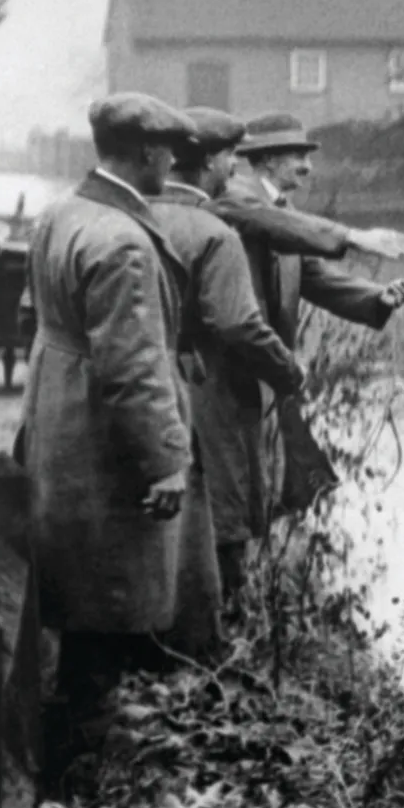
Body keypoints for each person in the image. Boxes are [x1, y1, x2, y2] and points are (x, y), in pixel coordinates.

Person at [23, 95, 198, 791]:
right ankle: (78, 777)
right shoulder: (122, 240)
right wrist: (165, 460)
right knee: (105, 605)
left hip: (59, 421)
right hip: (100, 441)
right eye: (169, 151)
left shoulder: (61, 212)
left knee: (79, 600)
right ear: (148, 153)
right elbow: (133, 366)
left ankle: (69, 758)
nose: (174, 163)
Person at [146, 108, 307, 636]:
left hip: (146, 386)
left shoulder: (131, 216)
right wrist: (287, 369)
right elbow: (239, 323)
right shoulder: (214, 231)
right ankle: (223, 630)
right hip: (210, 385)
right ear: (211, 161)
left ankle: (160, 624)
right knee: (225, 502)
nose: (234, 166)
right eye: (230, 156)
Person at [211, 111, 404, 517]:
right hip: (230, 375)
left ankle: (264, 546)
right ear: (268, 159)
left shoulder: (282, 211)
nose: (308, 167)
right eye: (298, 157)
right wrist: (352, 236)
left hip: (269, 373)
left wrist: (377, 298)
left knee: (287, 483)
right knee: (241, 489)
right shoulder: (234, 197)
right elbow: (273, 223)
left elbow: (314, 277)